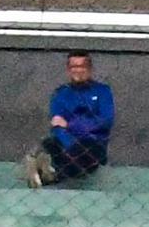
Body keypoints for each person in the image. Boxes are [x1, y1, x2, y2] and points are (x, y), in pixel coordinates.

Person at [26, 51, 112, 187]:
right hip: (67, 146)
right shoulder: (61, 94)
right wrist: (68, 145)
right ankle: (47, 170)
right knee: (49, 143)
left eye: (82, 66)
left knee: (83, 149)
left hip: (93, 146)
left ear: (90, 69)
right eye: (74, 67)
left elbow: (104, 121)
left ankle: (47, 174)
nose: (78, 70)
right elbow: (57, 125)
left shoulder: (103, 91)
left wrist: (70, 125)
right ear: (68, 70)